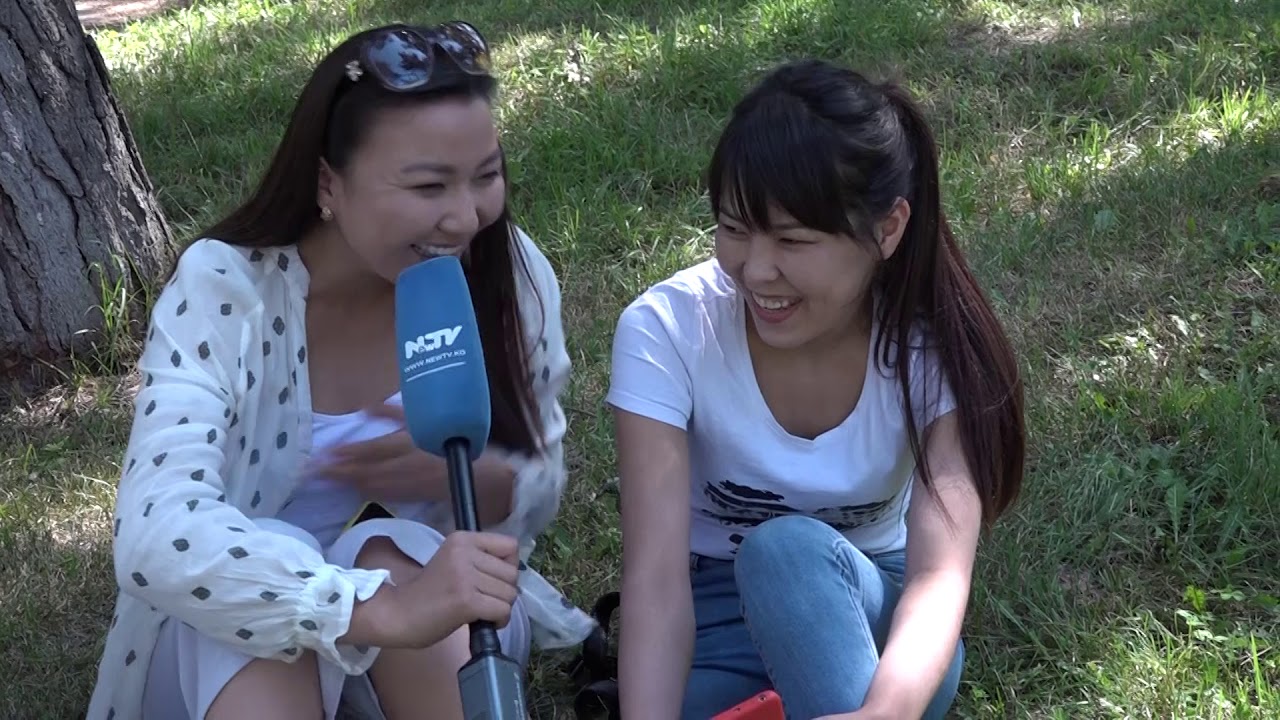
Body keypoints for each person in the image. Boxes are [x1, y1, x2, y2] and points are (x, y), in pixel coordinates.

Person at [86, 21, 597, 720]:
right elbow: (157, 532)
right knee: (277, 568)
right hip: (232, 650)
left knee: (388, 550)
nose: (464, 218)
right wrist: (371, 609)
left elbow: (538, 487)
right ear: (329, 182)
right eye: (429, 185)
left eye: (486, 176)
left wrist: (490, 481)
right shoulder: (225, 289)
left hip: (435, 632)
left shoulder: (511, 272)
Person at [607, 59, 1026, 720]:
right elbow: (656, 580)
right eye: (734, 229)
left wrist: (886, 711)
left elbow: (938, 575)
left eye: (793, 240)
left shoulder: (933, 346)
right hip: (715, 613)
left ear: (887, 229)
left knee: (783, 551)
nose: (756, 269)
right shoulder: (667, 331)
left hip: (881, 623)